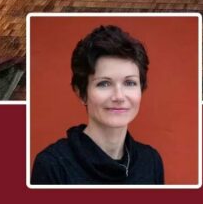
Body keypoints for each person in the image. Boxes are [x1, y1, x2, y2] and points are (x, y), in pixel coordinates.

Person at [31, 25, 165, 185]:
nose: (119, 96)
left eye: (130, 83)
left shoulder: (151, 162)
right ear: (82, 93)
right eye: (104, 84)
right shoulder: (52, 166)